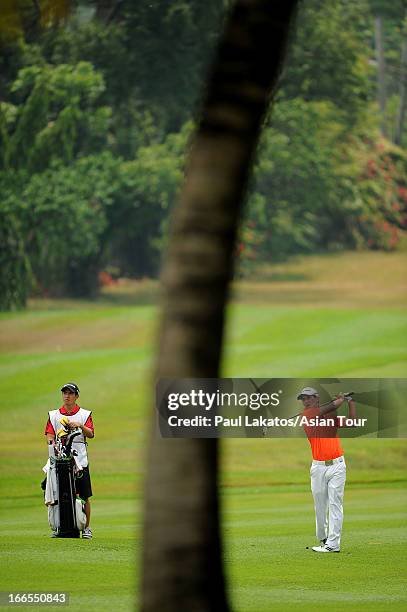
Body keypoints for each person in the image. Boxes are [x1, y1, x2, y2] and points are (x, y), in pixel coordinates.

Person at [298, 386, 356, 553]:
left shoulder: (329, 416)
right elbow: (332, 406)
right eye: (303, 399)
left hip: (337, 465)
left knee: (335, 504)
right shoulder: (306, 416)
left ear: (316, 398)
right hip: (318, 468)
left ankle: (333, 544)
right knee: (320, 506)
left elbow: (352, 422)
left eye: (308, 398)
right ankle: (323, 538)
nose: (306, 401)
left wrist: (351, 402)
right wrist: (339, 400)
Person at [44, 383, 94, 539]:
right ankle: (59, 526)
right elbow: (49, 435)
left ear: (76, 396)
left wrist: (80, 425)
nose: (67, 396)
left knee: (84, 495)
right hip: (60, 461)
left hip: (80, 459)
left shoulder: (84, 414)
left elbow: (91, 434)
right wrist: (53, 446)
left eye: (70, 393)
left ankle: (86, 528)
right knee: (58, 494)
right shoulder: (54, 415)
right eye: (65, 393)